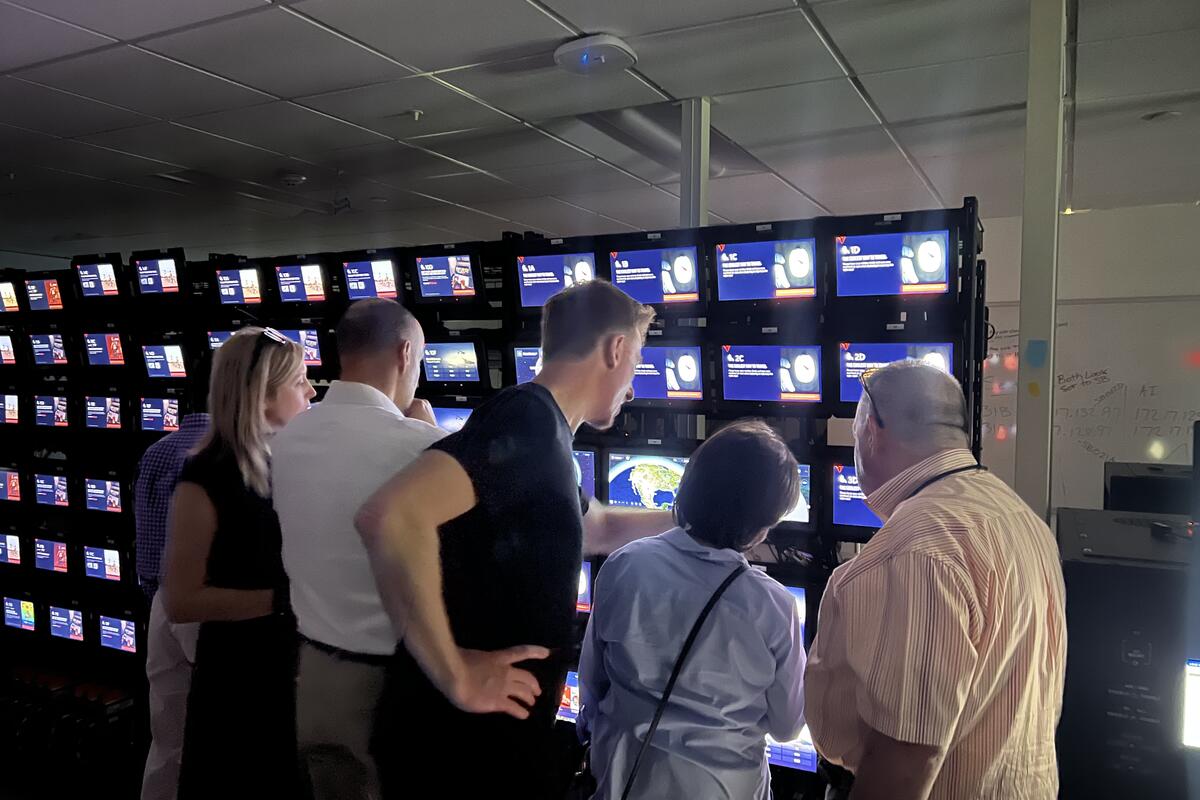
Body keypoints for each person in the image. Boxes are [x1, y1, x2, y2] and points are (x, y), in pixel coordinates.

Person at [356, 279, 675, 799]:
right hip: (458, 747)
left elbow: (593, 527)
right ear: (616, 349)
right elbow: (390, 514)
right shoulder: (526, 421)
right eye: (636, 363)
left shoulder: (545, 434)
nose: (633, 386)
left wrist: (692, 517)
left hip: (485, 741)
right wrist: (455, 670)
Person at [805, 361, 1066, 800]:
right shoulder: (1019, 516)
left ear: (871, 429)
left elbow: (906, 761)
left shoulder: (914, 549)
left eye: (853, 435)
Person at [579, 419, 807, 799]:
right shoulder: (772, 605)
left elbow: (593, 687)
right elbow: (787, 727)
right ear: (762, 529)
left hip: (624, 784)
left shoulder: (623, 565)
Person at [273, 299, 445, 800]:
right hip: (390, 684)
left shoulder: (287, 438)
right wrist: (432, 433)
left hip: (313, 675)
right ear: (405, 353)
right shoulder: (418, 445)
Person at [163, 327, 315, 800]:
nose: (312, 391)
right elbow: (182, 600)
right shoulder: (206, 475)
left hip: (284, 669)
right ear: (263, 395)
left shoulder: (283, 464)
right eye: (300, 381)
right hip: (238, 681)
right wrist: (285, 600)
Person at [136, 361, 210, 800]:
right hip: (210, 604)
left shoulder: (159, 449)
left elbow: (145, 537)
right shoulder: (235, 453)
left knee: (167, 740)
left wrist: (158, 595)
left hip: (164, 603)